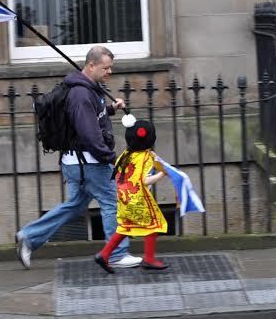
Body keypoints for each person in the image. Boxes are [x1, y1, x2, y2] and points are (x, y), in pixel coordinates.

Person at [15, 46, 142, 269]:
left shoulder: (88, 89)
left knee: (74, 205)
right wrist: (113, 159)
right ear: (91, 65)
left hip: (76, 163)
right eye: (106, 68)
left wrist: (111, 109)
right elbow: (89, 135)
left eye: (111, 67)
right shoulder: (82, 94)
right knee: (112, 203)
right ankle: (117, 254)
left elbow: (90, 118)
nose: (109, 72)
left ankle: (28, 236)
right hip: (90, 163)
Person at [94, 119, 169, 273]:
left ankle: (104, 254)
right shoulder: (146, 157)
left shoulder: (124, 155)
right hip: (139, 200)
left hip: (124, 199)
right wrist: (162, 174)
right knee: (155, 225)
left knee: (125, 227)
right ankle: (149, 259)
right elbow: (144, 180)